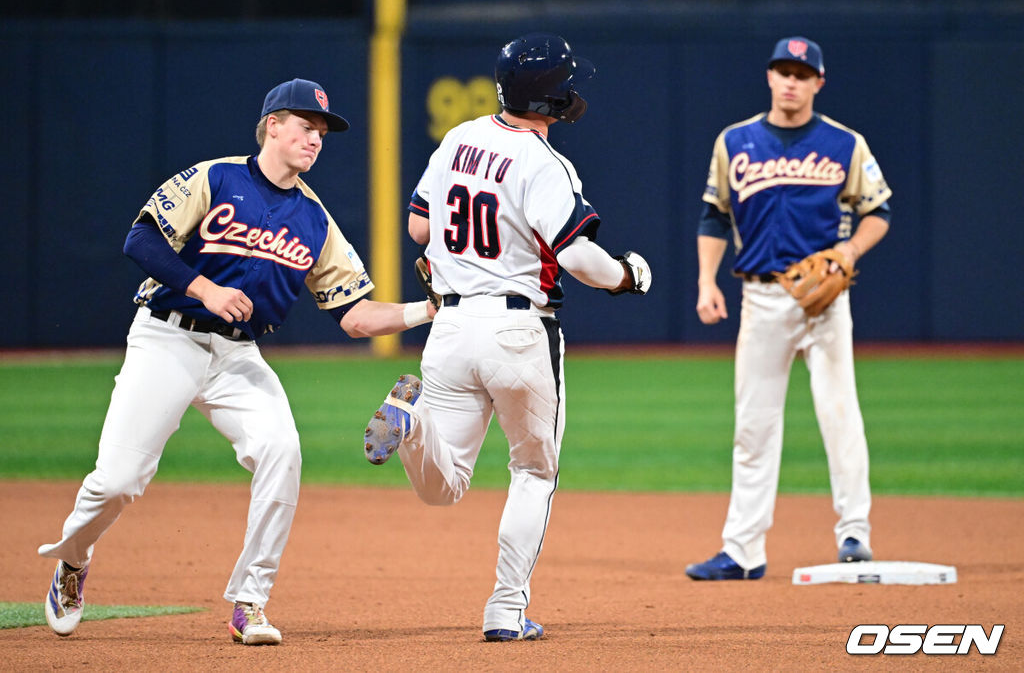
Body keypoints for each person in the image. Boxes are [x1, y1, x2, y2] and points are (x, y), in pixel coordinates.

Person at [39, 78, 436, 644]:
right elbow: (141, 241)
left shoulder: (315, 219)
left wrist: (429, 309)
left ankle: (250, 601)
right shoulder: (215, 178)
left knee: (282, 451)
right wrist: (204, 288)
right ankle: (74, 561)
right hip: (167, 339)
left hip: (237, 355)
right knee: (119, 481)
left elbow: (354, 316)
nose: (316, 139)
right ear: (272, 125)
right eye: (306, 127)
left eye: (322, 133)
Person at [362, 33, 651, 640]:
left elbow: (418, 228)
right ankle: (504, 609)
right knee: (534, 473)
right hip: (519, 330)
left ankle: (410, 427)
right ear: (551, 99)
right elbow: (578, 258)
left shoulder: (458, 138)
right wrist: (627, 276)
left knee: (444, 488)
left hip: (448, 328)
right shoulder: (545, 164)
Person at [685, 37, 892, 580]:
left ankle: (854, 532)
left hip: (826, 302)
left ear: (818, 82)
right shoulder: (735, 141)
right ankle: (743, 551)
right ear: (770, 77)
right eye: (784, 71)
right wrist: (707, 281)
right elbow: (714, 216)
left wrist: (849, 252)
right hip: (761, 298)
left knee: (839, 415)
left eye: (802, 74)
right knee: (753, 428)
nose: (792, 82)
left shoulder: (845, 144)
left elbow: (879, 212)